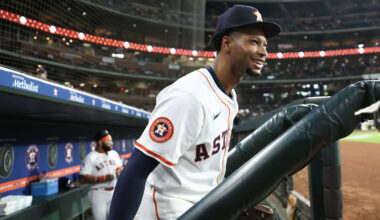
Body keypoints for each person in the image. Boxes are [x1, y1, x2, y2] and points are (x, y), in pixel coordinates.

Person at [109, 5, 281, 220]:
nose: (264, 52)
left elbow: (201, 173)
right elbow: (134, 172)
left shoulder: (228, 95)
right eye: (254, 42)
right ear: (227, 43)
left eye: (265, 44)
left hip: (198, 208)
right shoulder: (189, 96)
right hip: (167, 212)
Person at [79, 130, 123, 220]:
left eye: (111, 141)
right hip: (99, 193)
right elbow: (82, 178)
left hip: (114, 192)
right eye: (108, 141)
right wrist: (103, 178)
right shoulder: (91, 157)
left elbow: (120, 167)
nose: (111, 143)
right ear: (100, 142)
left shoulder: (114, 154)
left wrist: (120, 169)